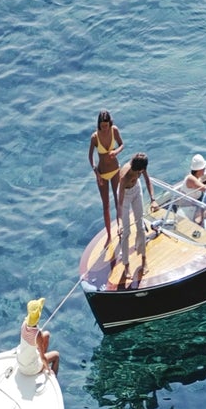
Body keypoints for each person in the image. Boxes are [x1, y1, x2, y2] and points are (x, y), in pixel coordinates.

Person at [115, 152, 155, 285]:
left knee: (141, 227)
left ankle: (144, 259)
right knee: (126, 233)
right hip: (124, 196)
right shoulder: (124, 176)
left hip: (136, 191)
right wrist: (119, 222)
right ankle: (126, 265)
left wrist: (153, 199)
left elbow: (148, 181)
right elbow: (119, 202)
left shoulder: (141, 168)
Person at [87, 110, 124, 245]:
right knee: (106, 205)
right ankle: (109, 235)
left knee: (118, 199)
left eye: (106, 125)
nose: (105, 128)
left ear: (110, 123)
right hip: (102, 173)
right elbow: (90, 157)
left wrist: (116, 151)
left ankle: (120, 226)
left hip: (115, 170)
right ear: (99, 124)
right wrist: (96, 172)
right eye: (102, 126)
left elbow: (122, 145)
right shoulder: (94, 137)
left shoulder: (114, 130)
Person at [17, 297, 60, 376]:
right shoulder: (38, 335)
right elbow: (43, 357)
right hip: (29, 369)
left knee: (46, 334)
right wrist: (48, 369)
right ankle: (53, 376)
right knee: (56, 355)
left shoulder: (24, 324)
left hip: (21, 362)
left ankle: (42, 361)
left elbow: (33, 337)